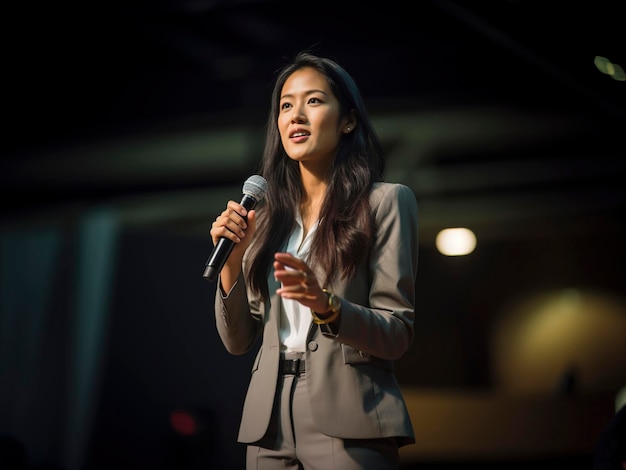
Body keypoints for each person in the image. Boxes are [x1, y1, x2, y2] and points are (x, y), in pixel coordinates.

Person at [209, 51, 419, 469]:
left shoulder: (385, 201)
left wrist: (326, 305)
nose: (296, 115)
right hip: (267, 418)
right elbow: (237, 342)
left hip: (350, 411)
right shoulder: (266, 217)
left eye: (314, 101)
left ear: (349, 120)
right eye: (286, 105)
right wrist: (232, 258)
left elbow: (397, 333)